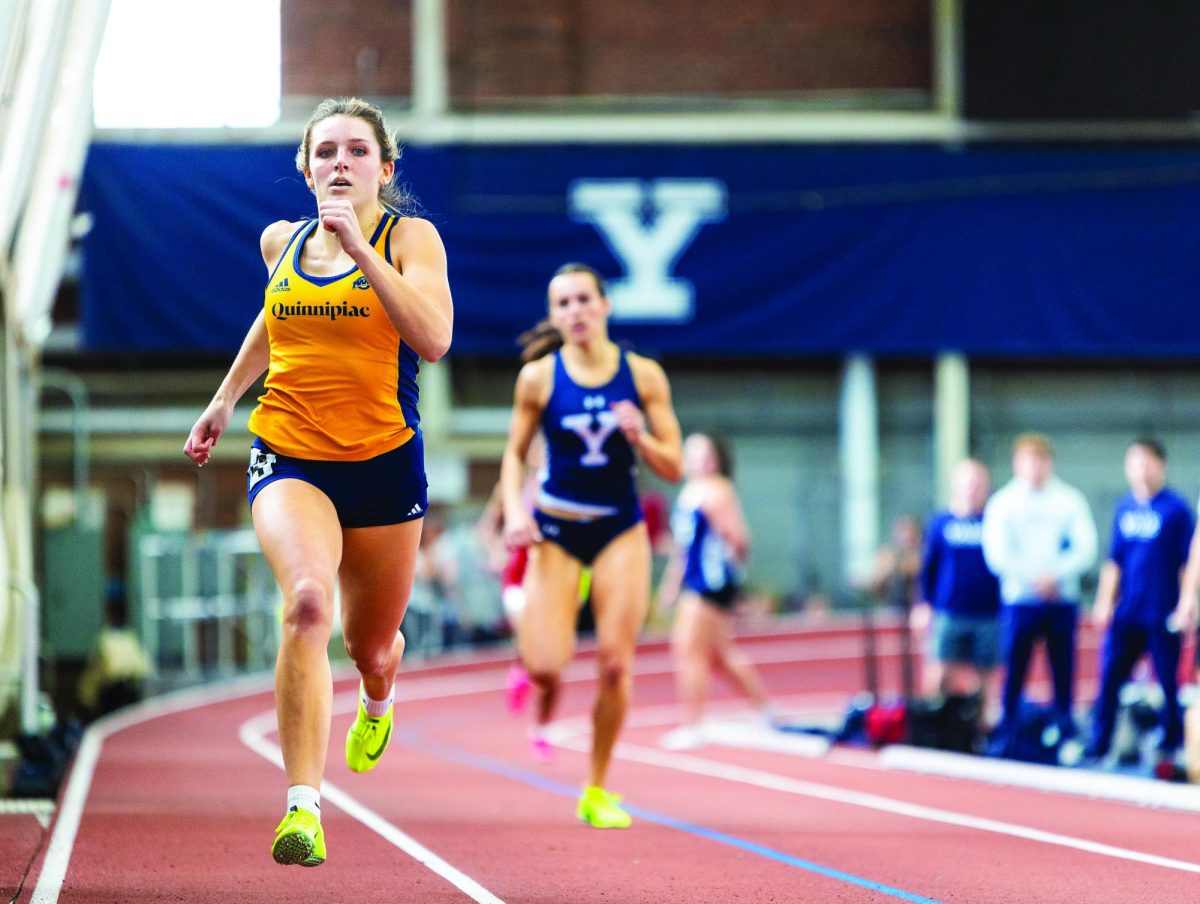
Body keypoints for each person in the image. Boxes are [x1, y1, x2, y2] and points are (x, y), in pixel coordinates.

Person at [183, 97, 452, 867]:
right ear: (305, 170)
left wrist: (360, 249)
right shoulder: (282, 241)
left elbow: (433, 339)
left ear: (384, 169)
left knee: (370, 647)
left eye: (358, 151)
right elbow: (276, 320)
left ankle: (379, 689)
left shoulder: (412, 239)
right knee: (307, 603)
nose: (341, 162)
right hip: (290, 452)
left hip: (384, 463)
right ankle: (304, 808)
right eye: (326, 151)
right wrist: (225, 398)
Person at [499, 262, 683, 828]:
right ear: (554, 316)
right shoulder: (538, 378)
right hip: (555, 530)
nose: (575, 311)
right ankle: (534, 672)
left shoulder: (644, 375)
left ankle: (596, 789)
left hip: (618, 530)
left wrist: (640, 436)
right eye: (563, 304)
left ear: (605, 305)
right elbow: (513, 454)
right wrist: (513, 511)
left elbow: (674, 465)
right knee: (549, 667)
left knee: (613, 665)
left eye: (584, 299)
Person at [981, 433, 1098, 753]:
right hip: (1021, 600)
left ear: (1050, 463)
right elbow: (997, 553)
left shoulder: (1069, 500)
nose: (1035, 468)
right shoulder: (1003, 503)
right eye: (1028, 461)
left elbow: (1085, 546)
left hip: (1061, 599)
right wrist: (1032, 578)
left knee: (1063, 671)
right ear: (1017, 464)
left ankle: (1065, 731)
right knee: (1015, 671)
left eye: (1041, 460)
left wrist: (1056, 575)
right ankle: (1008, 732)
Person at [656, 432, 772, 751]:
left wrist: (734, 572)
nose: (698, 461)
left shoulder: (717, 492)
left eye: (704, 455)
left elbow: (738, 536)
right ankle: (764, 709)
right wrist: (670, 585)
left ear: (716, 459)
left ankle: (695, 723)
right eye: (692, 454)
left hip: (711, 583)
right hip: (696, 581)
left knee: (687, 649)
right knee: (720, 656)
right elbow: (683, 548)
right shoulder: (688, 492)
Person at [1084, 439, 1193, 768]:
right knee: (1109, 679)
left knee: (1168, 681)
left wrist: (1188, 601)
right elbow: (1114, 560)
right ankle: (1098, 743)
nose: (1141, 469)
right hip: (1127, 612)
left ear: (1162, 465)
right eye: (1135, 462)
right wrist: (1105, 601)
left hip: (1161, 611)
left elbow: (1188, 561)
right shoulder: (1124, 507)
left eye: (1147, 462)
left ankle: (1171, 743)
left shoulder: (1176, 509)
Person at [914, 459, 1002, 706]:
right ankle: (936, 724)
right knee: (939, 675)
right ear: (956, 486)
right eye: (967, 483)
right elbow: (929, 566)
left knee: (985, 680)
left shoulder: (994, 522)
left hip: (989, 613)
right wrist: (924, 604)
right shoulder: (941, 523)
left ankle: (980, 733)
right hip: (950, 612)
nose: (972, 489)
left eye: (978, 483)